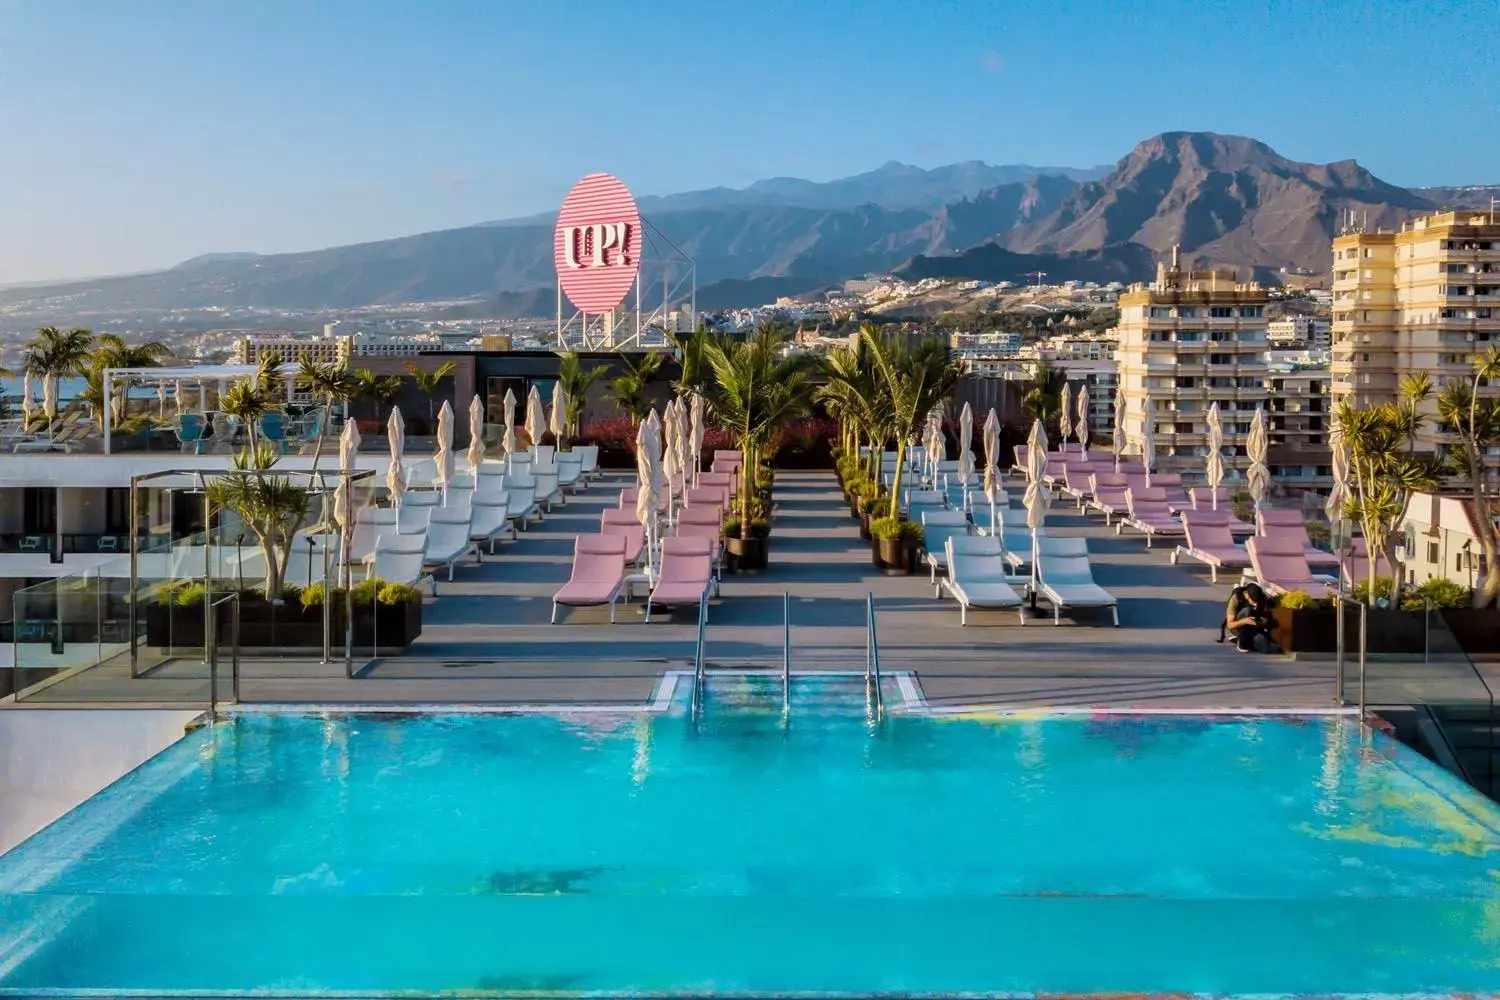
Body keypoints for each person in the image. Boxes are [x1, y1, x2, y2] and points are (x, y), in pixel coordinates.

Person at [1224, 583, 1276, 653]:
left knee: (1265, 648)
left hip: (1253, 627)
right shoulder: (1236, 599)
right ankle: (1242, 642)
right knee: (1247, 610)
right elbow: (1230, 625)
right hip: (1238, 627)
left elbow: (1269, 614)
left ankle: (1244, 639)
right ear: (1247, 595)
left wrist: (1266, 620)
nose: (1256, 604)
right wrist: (1244, 621)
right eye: (1254, 601)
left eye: (1257, 602)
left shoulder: (1262, 598)